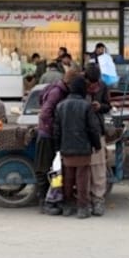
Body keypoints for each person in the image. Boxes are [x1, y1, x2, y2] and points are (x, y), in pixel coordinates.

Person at [53, 77, 102, 219]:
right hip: (83, 148)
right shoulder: (86, 106)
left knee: (68, 177)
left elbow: (57, 130)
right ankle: (82, 208)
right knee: (82, 178)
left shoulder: (60, 106)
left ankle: (67, 207)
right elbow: (93, 129)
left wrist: (57, 148)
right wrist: (97, 145)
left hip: (66, 147)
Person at [35, 69, 80, 215]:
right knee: (44, 168)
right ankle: (43, 201)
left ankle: (52, 199)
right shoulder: (57, 93)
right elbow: (45, 113)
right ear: (70, 83)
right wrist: (56, 127)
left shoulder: (61, 90)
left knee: (54, 170)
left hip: (51, 134)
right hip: (47, 135)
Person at [85, 63, 112, 216]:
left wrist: (100, 106)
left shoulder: (103, 86)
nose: (94, 86)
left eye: (96, 83)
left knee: (99, 167)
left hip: (98, 130)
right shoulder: (80, 85)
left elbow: (108, 105)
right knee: (84, 168)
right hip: (83, 131)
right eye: (91, 82)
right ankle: (86, 199)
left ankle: (98, 199)